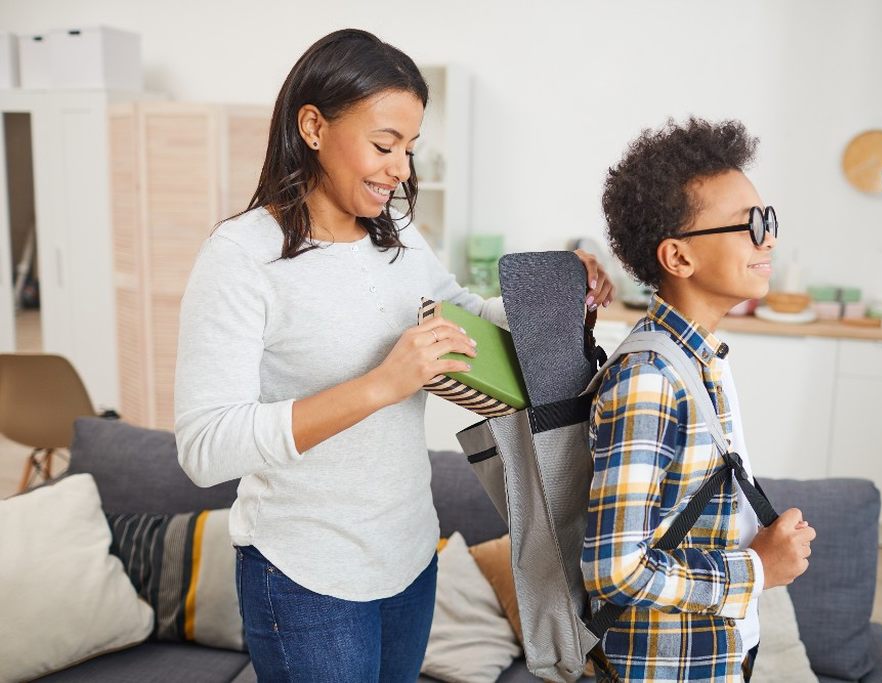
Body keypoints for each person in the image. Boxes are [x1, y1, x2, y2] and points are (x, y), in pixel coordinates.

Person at [174, 29, 614, 682]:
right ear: (314, 126)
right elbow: (205, 446)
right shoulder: (241, 257)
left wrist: (558, 292)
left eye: (409, 148)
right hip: (305, 578)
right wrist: (381, 384)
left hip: (410, 559)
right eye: (384, 145)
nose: (401, 169)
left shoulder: (395, 235)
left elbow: (462, 316)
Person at [582, 117, 815, 682]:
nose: (768, 238)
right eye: (747, 226)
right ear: (679, 258)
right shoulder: (651, 379)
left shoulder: (698, 360)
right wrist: (756, 568)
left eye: (768, 220)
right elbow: (614, 571)